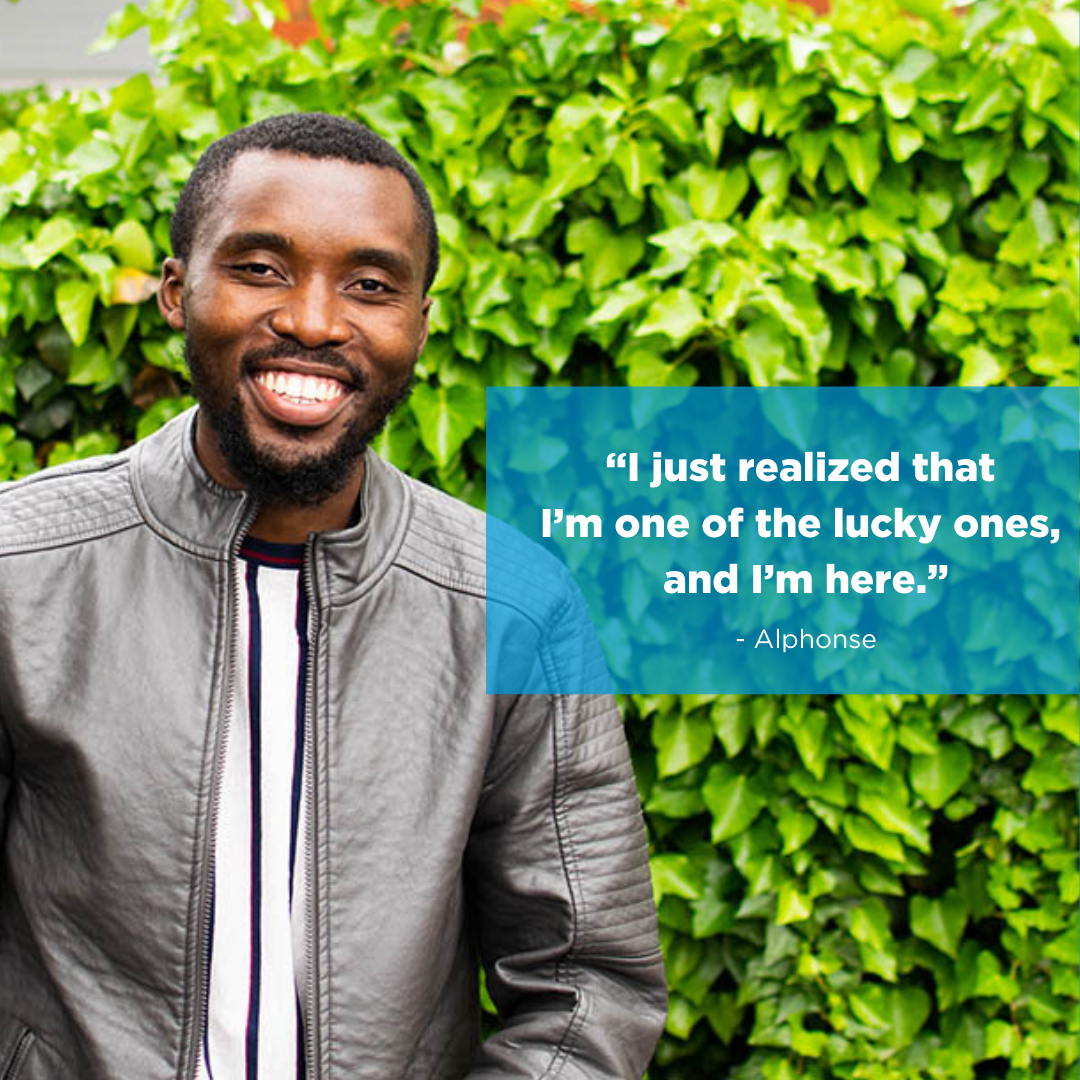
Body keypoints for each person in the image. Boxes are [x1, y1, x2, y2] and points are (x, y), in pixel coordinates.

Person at [0, 113, 666, 1079]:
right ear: (178, 293)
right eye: (261, 268)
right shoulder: (21, 568)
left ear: (420, 323)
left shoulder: (511, 605)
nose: (314, 320)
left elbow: (586, 986)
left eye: (370, 286)